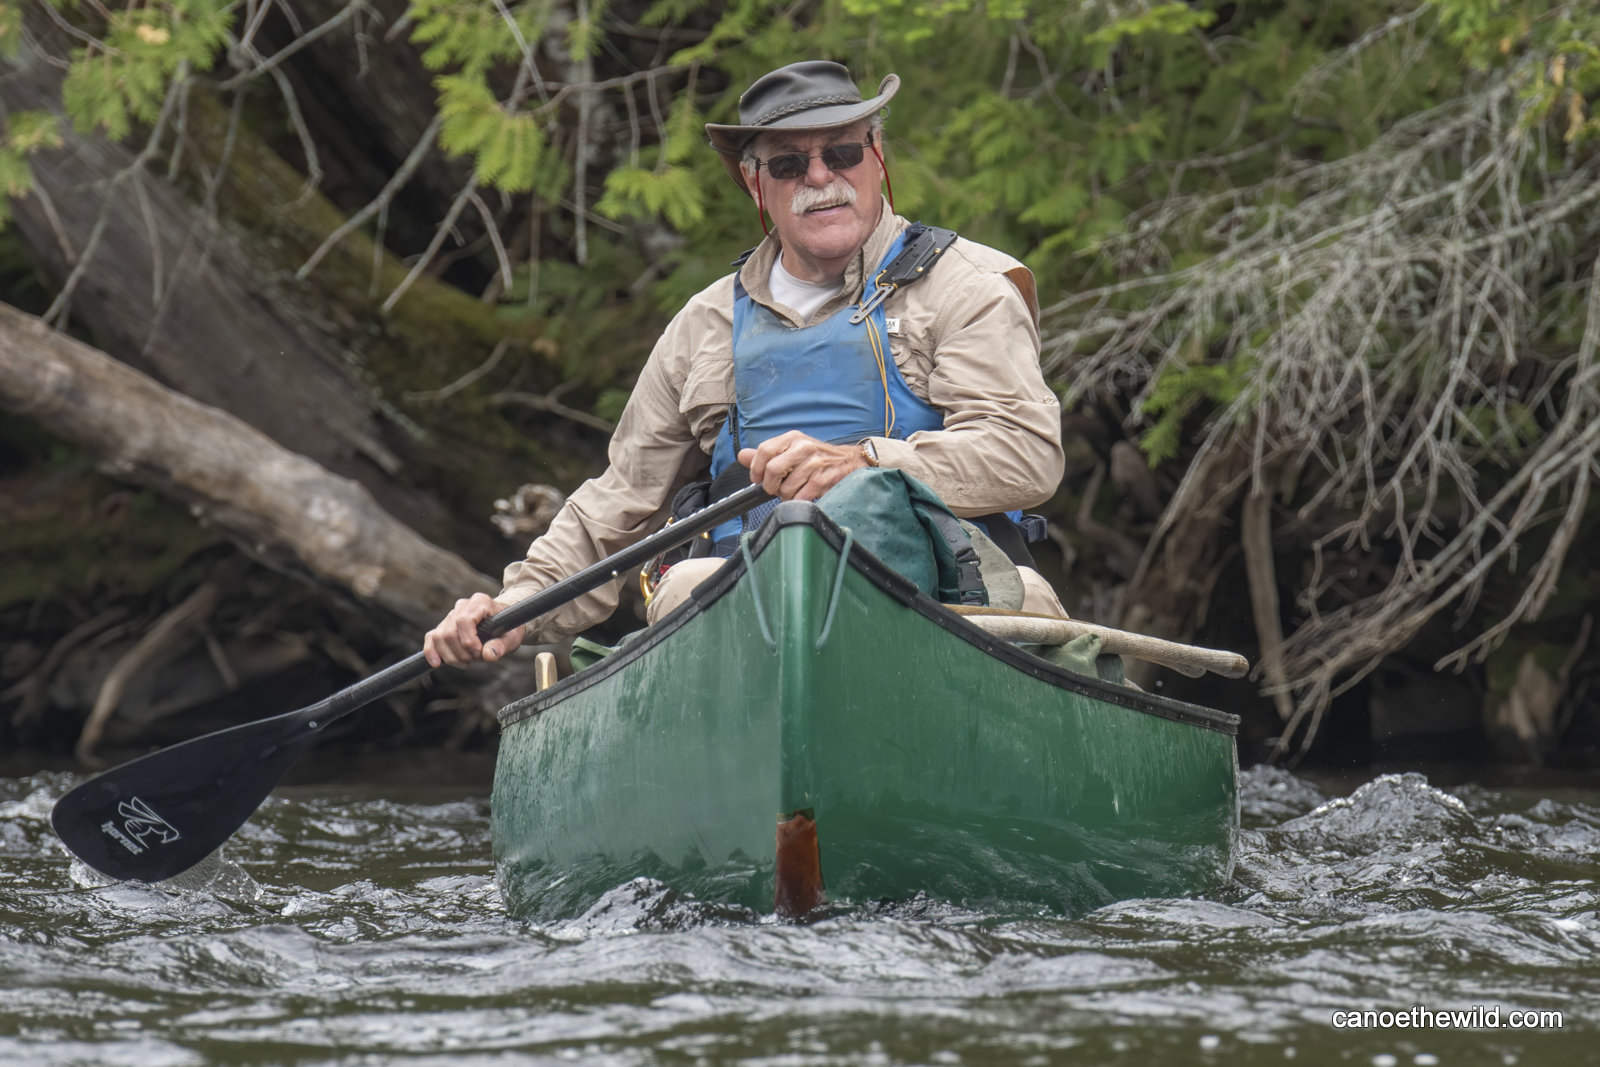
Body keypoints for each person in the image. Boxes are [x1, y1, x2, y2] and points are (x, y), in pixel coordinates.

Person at [424, 60, 1065, 670]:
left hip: (952, 590)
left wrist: (866, 462)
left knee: (1024, 602)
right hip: (751, 609)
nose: (820, 178)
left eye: (841, 152)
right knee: (686, 588)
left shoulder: (967, 286)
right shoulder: (705, 325)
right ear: (754, 183)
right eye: (790, 163)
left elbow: (1025, 455)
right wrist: (515, 606)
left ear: (876, 157)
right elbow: (620, 501)